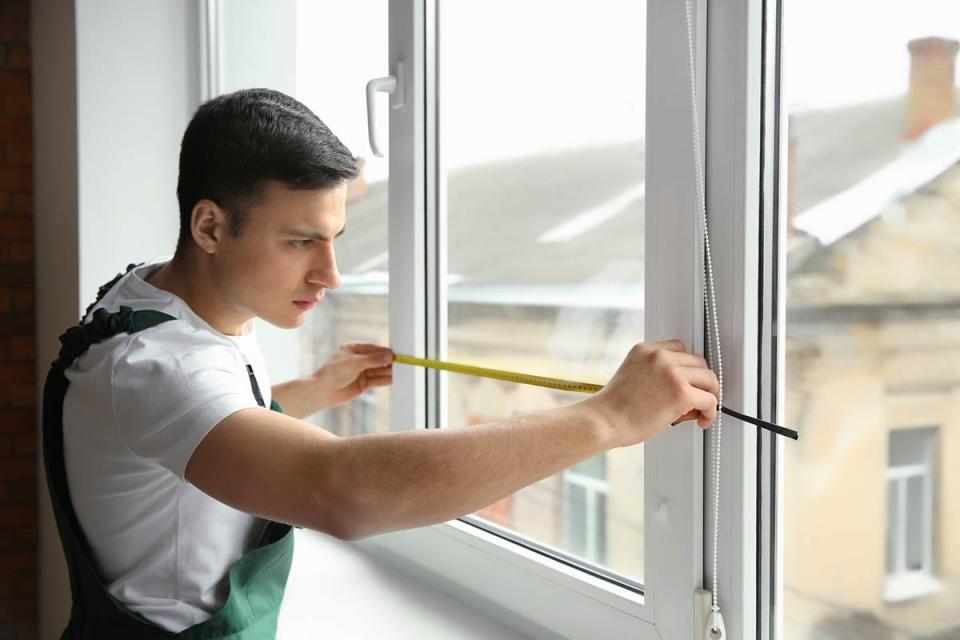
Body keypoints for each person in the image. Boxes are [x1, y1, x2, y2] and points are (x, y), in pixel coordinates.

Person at [44, 88, 719, 639]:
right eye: (302, 241)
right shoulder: (155, 366)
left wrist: (312, 390)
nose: (331, 274)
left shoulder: (150, 294)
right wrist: (608, 417)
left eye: (334, 239)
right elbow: (340, 490)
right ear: (211, 227)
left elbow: (201, 429)